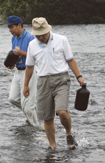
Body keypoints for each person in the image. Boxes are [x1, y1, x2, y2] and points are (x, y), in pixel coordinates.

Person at [23, 17, 85, 150]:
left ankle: (68, 133)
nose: (41, 38)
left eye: (43, 35)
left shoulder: (61, 40)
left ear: (48, 30)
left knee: (62, 111)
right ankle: (53, 147)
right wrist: (26, 84)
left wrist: (78, 76)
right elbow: (29, 66)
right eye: (38, 36)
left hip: (61, 79)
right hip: (43, 81)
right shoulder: (32, 45)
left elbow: (70, 60)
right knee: (47, 117)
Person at [5, 16, 40, 127]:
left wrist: (21, 53)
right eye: (8, 27)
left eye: (11, 27)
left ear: (19, 25)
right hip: (18, 71)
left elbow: (37, 56)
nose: (10, 30)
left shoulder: (31, 38)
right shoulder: (13, 38)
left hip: (29, 70)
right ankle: (30, 112)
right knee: (13, 98)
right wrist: (12, 63)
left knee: (27, 105)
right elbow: (16, 55)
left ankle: (37, 128)